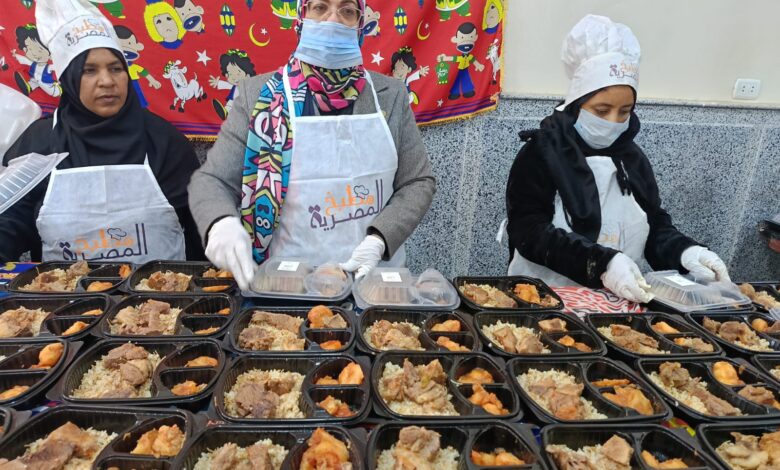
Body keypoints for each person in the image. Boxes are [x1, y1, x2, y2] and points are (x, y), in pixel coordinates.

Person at [189, 0, 435, 290]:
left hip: (372, 282)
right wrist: (220, 222)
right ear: (301, 17)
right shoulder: (258, 95)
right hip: (288, 283)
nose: (333, 20)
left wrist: (380, 238)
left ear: (360, 24)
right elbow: (213, 181)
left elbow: (417, 181)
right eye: (320, 7)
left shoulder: (390, 95)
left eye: (347, 10)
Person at [505, 15, 730, 303]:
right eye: (601, 111)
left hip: (616, 302)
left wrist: (686, 252)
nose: (613, 121)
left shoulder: (631, 158)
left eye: (625, 111)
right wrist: (602, 264)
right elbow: (528, 230)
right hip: (542, 295)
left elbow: (654, 224)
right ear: (577, 104)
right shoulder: (542, 152)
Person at [0, 0, 203, 263]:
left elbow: (201, 227)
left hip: (162, 289)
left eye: (116, 68)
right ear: (69, 78)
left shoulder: (165, 141)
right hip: (59, 289)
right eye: (89, 71)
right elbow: (9, 224)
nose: (107, 81)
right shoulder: (39, 142)